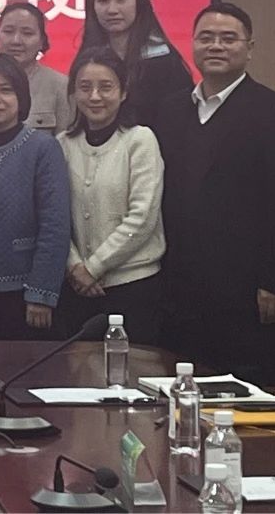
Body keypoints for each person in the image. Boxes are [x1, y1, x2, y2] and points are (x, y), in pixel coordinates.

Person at [156, 3, 275, 383]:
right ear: (192, 44)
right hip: (177, 285)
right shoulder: (169, 111)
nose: (216, 46)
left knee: (240, 391)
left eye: (228, 38)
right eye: (206, 38)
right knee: (179, 388)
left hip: (244, 287)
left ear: (249, 48)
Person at [0, 54, 70, 340]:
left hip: (22, 294)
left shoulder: (42, 148)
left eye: (5, 90)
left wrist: (41, 292)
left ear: (21, 97)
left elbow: (55, 225)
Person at [57, 47, 166, 343]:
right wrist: (75, 267)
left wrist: (94, 267)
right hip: (77, 286)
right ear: (73, 92)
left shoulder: (140, 140)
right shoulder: (63, 143)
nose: (95, 96)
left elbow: (143, 217)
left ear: (123, 92)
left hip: (133, 286)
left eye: (105, 87)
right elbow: (55, 216)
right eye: (85, 87)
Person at [80, 0, 192, 129]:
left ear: (139, 2)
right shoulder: (88, 57)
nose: (112, 9)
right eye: (103, 1)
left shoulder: (163, 59)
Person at [0, 1, 72, 134]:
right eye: (8, 31)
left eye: (27, 33)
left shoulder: (61, 86)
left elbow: (66, 141)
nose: (16, 41)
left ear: (42, 41)